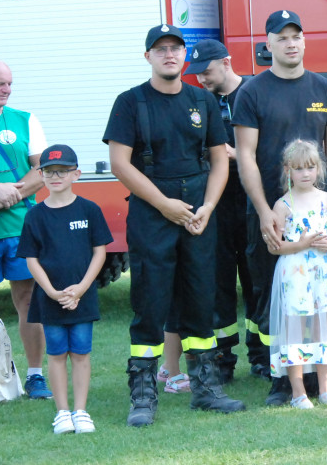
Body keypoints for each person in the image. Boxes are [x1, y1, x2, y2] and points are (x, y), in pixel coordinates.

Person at [104, 24, 244, 427]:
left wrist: (208, 207)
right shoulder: (130, 102)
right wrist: (164, 204)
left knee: (203, 299)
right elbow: (120, 163)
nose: (169, 55)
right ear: (147, 56)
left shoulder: (202, 99)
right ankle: (144, 396)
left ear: (184, 57)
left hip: (199, 213)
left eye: (176, 48)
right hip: (153, 211)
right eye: (161, 48)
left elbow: (219, 159)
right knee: (150, 303)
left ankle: (206, 389)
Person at [233, 9, 327, 406]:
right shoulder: (252, 92)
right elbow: (245, 156)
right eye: (281, 37)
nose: (290, 43)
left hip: (318, 212)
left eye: (296, 36)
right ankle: (282, 379)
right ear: (268, 44)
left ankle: (324, 377)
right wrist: (264, 210)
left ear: (305, 40)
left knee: (319, 299)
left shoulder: (325, 89)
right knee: (276, 296)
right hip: (273, 210)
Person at [17, 144, 112, 433]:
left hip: (82, 297)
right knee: (56, 353)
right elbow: (31, 258)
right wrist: (50, 291)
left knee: (81, 353)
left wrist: (82, 288)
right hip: (50, 299)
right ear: (41, 176)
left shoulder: (90, 209)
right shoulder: (35, 215)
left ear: (76, 174)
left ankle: (81, 411)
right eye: (48, 171)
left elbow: (100, 252)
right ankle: (62, 412)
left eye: (62, 171)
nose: (55, 176)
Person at [184, 38, 263, 382]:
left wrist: (238, 155)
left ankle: (261, 356)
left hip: (250, 201)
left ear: (227, 62)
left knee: (256, 279)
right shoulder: (199, 102)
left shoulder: (255, 92)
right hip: (214, 203)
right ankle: (223, 357)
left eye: (207, 71)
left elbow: (273, 145)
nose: (201, 78)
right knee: (218, 283)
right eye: (197, 73)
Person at [269, 139, 327, 409]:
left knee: (325, 328)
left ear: (318, 169)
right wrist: (301, 244)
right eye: (298, 168)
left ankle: (325, 389)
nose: (305, 173)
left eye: (310, 167)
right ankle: (298, 393)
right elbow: (275, 247)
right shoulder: (283, 205)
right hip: (295, 273)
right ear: (288, 171)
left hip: (324, 272)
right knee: (295, 329)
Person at [0, 59, 51, 399]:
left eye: (9, 83)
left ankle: (34, 375)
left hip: (18, 227)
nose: (7, 89)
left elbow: (41, 170)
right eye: (0, 83)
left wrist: (4, 197)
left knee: (28, 299)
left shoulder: (25, 120)